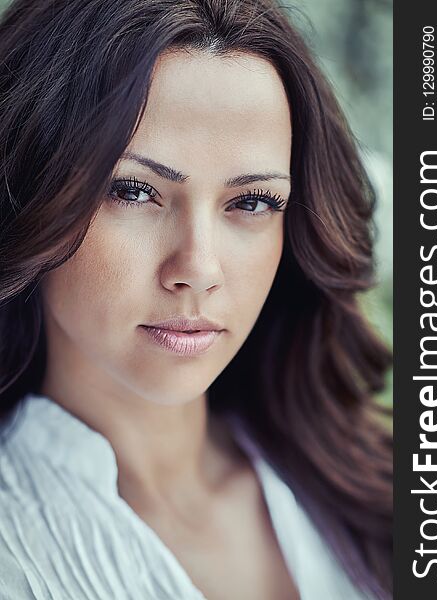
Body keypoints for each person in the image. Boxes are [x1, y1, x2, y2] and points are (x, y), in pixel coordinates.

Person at [0, 0, 392, 599]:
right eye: (133, 191)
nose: (198, 271)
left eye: (252, 202)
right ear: (31, 192)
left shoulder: (375, 482)